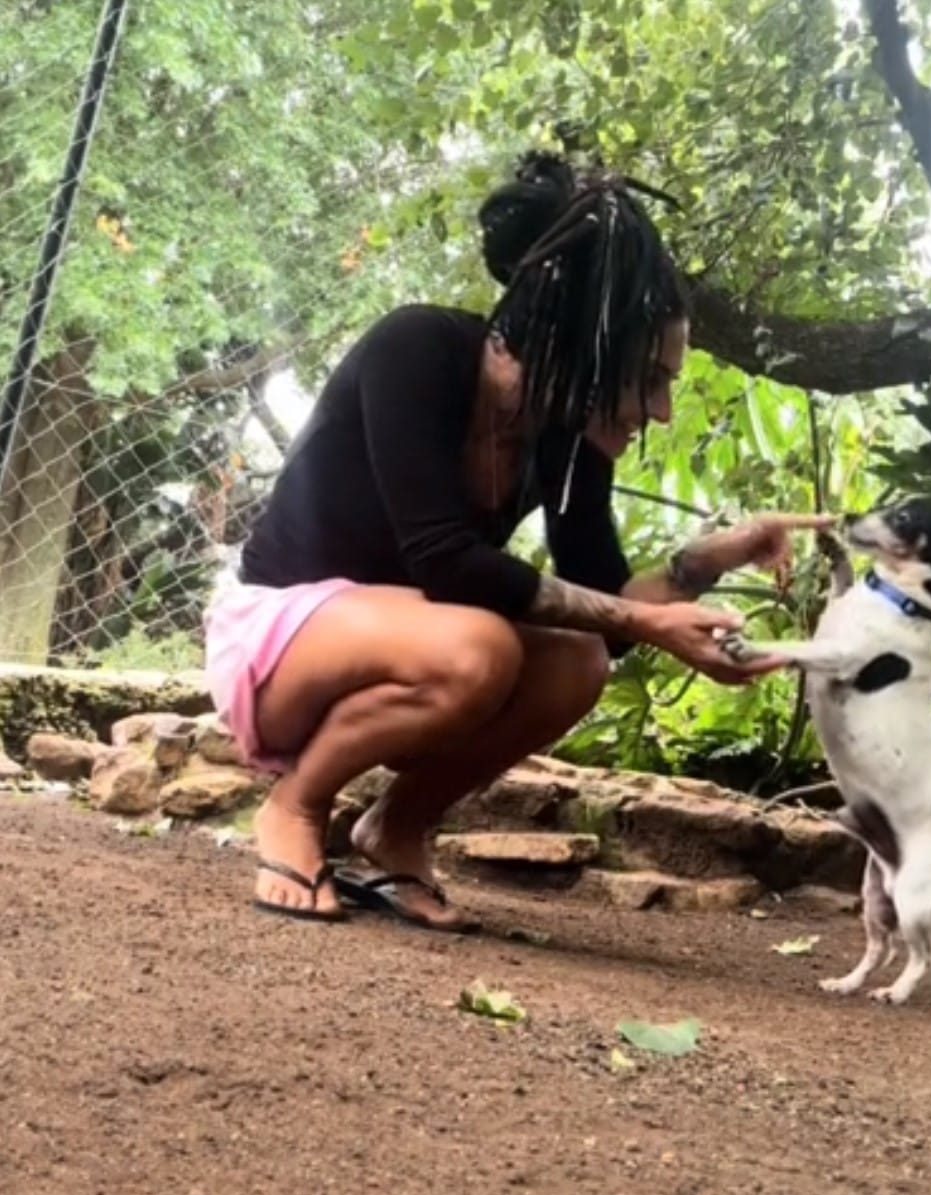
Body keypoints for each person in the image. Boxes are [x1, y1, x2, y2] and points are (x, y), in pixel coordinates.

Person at [203, 151, 833, 931]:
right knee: (480, 648)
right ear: (577, 345)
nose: (661, 409)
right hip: (276, 643)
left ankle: (397, 826)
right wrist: (643, 620)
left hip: (409, 647)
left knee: (576, 660)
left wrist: (711, 557)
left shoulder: (566, 434)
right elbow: (445, 561)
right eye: (648, 376)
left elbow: (608, 615)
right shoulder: (418, 347)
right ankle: (295, 808)